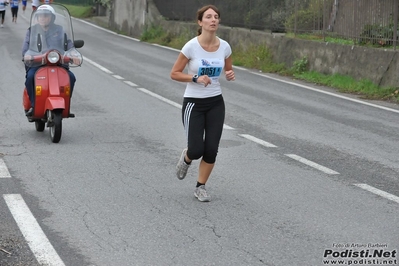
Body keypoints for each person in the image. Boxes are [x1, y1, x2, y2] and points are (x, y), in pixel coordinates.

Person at [170, 5, 235, 202]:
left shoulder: (225, 47)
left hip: (216, 102)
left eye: (216, 17)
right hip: (194, 104)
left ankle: (201, 187)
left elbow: (228, 70)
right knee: (197, 149)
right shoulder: (191, 46)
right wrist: (196, 78)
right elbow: (174, 73)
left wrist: (230, 74)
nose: (213, 20)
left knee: (211, 149)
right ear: (200, 22)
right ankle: (187, 157)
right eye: (208, 17)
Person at [22, 4, 79, 116]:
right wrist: (27, 55)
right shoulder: (31, 31)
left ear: (52, 18)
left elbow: (69, 45)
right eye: (40, 16)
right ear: (37, 18)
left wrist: (73, 54)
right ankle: (34, 106)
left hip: (58, 63)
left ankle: (66, 105)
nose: (43, 18)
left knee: (71, 77)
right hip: (37, 64)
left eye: (46, 16)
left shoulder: (60, 30)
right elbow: (25, 48)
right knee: (30, 78)